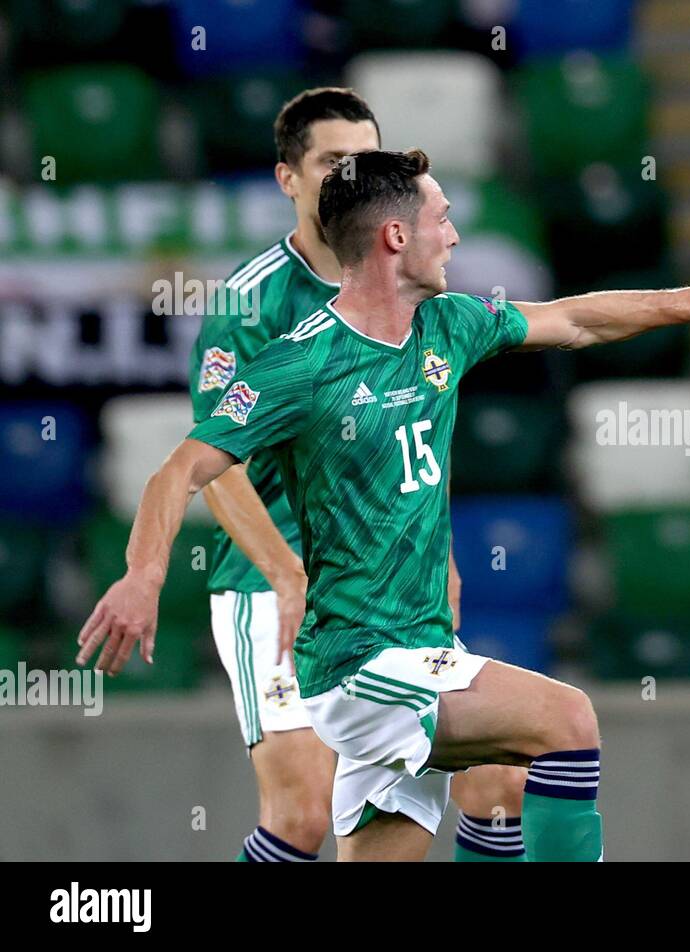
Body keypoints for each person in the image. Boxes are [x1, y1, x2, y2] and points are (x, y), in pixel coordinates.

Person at [79, 147, 690, 861]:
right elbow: (179, 470)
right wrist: (144, 576)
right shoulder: (303, 363)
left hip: (418, 648)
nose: (455, 236)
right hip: (357, 664)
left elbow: (573, 321)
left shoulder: (447, 324)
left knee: (497, 779)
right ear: (396, 237)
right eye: (443, 219)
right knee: (567, 719)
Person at [189, 86, 529, 863]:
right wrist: (286, 573)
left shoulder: (403, 282)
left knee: (496, 780)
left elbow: (407, 438)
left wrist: (436, 561)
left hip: (383, 594)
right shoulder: (251, 303)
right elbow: (211, 467)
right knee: (303, 812)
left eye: (363, 156)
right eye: (331, 159)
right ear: (288, 178)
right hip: (268, 584)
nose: (350, 169)